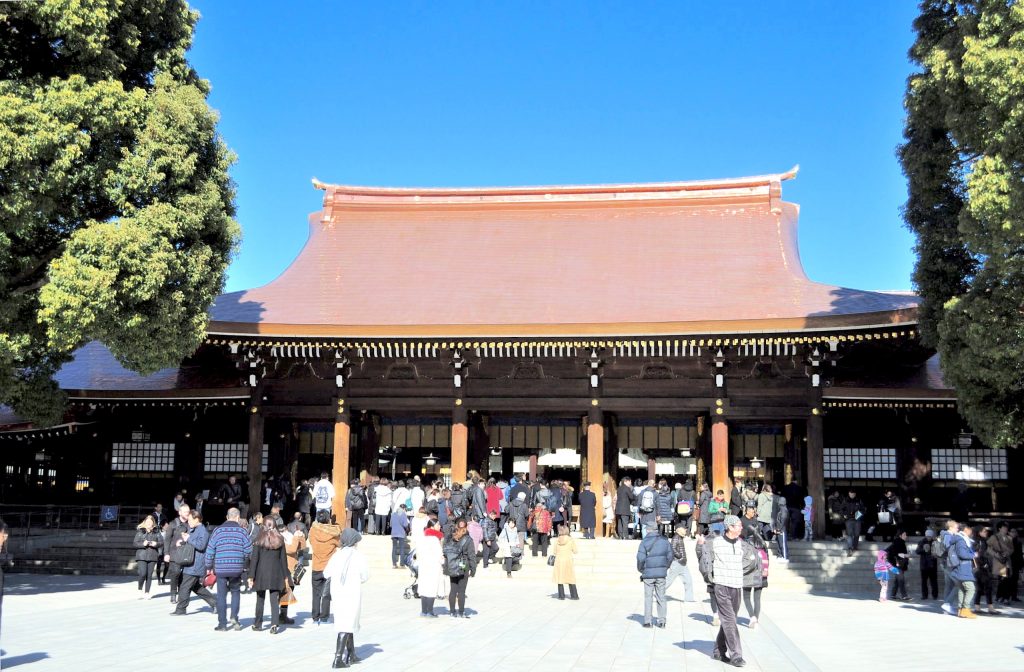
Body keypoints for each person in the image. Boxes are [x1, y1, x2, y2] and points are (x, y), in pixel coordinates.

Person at [697, 515, 751, 667]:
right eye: (739, 525)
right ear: (730, 527)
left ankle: (718, 651)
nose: (741, 527)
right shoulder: (716, 543)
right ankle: (736, 655)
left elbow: (750, 559)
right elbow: (703, 556)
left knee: (729, 620)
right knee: (729, 620)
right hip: (721, 586)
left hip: (736, 586)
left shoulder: (742, 544)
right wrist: (701, 546)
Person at [325, 529, 369, 667]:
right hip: (351, 593)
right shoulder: (358, 556)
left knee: (346, 621)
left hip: (338, 592)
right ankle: (338, 659)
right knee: (347, 623)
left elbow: (326, 573)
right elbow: (365, 576)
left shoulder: (337, 555)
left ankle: (351, 654)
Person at [249, 517, 291, 633]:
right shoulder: (280, 539)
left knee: (260, 599)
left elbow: (254, 559)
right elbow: (283, 560)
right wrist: (285, 575)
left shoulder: (258, 539)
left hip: (261, 573)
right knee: (274, 599)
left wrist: (251, 575)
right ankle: (274, 624)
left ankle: (258, 624)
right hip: (276, 573)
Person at [172, 510, 217, 615]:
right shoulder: (194, 529)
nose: (188, 522)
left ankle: (181, 609)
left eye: (190, 520)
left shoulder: (203, 531)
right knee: (196, 587)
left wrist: (189, 538)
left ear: (197, 519)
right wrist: (182, 542)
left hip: (196, 563)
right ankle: (216, 604)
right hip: (190, 562)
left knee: (185, 586)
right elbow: (191, 543)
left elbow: (201, 545)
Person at [636, 521, 672, 628]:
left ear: (648, 530)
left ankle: (648, 621)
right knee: (661, 597)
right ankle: (662, 621)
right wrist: (665, 567)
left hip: (648, 574)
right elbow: (670, 556)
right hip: (661, 574)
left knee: (648, 597)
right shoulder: (665, 541)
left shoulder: (644, 542)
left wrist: (641, 569)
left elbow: (640, 558)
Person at [310, 508, 342, 625]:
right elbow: (340, 543)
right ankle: (324, 617)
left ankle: (315, 616)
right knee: (327, 593)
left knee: (316, 593)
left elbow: (311, 542)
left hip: (316, 565)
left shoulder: (313, 531)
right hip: (329, 567)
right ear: (328, 519)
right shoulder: (333, 533)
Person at [443, 519, 477, 618]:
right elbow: (472, 555)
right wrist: (473, 569)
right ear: (466, 527)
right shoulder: (468, 539)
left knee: (453, 589)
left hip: (452, 565)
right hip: (463, 566)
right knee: (461, 591)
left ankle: (452, 612)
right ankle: (461, 612)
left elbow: (445, 552)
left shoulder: (451, 537)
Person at [416, 519, 445, 617]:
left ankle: (423, 611)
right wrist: (443, 561)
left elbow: (418, 553)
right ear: (432, 526)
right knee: (431, 588)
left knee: (424, 588)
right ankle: (430, 611)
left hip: (424, 566)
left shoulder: (422, 538)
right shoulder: (435, 539)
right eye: (438, 524)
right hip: (433, 567)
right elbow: (439, 555)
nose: (439, 526)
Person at [949, 524, 978, 618]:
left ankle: (960, 610)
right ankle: (966, 609)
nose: (971, 532)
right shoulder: (961, 540)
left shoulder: (959, 539)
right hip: (963, 568)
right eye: (970, 529)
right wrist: (973, 555)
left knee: (962, 589)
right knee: (971, 588)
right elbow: (962, 554)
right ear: (966, 529)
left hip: (959, 567)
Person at [280, 519, 306, 624]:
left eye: (287, 530)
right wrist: (295, 537)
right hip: (285, 570)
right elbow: (292, 549)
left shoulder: (290, 537)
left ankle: (283, 614)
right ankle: (282, 615)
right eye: (284, 531)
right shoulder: (281, 540)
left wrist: (301, 536)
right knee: (285, 592)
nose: (287, 533)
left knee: (289, 590)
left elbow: (302, 547)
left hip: (292, 569)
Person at [164, 503, 191, 603]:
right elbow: (167, 540)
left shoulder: (190, 524)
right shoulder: (173, 524)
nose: (187, 514)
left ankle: (181, 594)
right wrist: (166, 553)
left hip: (186, 553)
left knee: (184, 575)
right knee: (175, 573)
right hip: (174, 553)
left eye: (188, 512)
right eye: (185, 512)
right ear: (180, 512)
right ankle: (173, 594)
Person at [743, 529, 769, 628]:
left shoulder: (747, 546)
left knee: (746, 597)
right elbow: (766, 562)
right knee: (757, 598)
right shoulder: (762, 548)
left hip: (748, 574)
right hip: (760, 575)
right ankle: (756, 619)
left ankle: (752, 617)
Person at [133, 515, 164, 599]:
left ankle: (147, 592)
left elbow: (161, 542)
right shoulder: (140, 531)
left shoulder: (156, 531)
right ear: (145, 522)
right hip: (141, 555)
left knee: (149, 575)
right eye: (147, 522)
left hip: (152, 555)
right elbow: (135, 543)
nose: (149, 524)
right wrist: (143, 544)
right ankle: (140, 589)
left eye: (150, 522)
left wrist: (156, 544)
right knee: (143, 573)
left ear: (153, 523)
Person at [665, 525, 695, 602]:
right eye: (684, 529)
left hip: (683, 563)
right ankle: (659, 593)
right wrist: (680, 556)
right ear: (679, 529)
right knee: (668, 581)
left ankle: (689, 599)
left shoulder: (681, 537)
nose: (685, 530)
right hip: (677, 563)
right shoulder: (675, 537)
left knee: (688, 580)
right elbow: (673, 549)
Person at [973, 526, 997, 614]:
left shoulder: (980, 541)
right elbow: (977, 555)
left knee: (980, 588)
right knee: (987, 587)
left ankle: (977, 607)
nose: (986, 532)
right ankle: (989, 608)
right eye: (984, 531)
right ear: (979, 532)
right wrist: (984, 564)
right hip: (982, 568)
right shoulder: (980, 542)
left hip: (980, 568)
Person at [988, 522, 1013, 604]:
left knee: (1006, 578)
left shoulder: (1009, 538)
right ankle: (1003, 597)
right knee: (1003, 578)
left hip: (1007, 560)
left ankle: (1001, 596)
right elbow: (989, 549)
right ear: (999, 528)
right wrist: (995, 554)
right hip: (999, 560)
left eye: (1006, 528)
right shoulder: (994, 537)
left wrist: (1008, 553)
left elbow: (1012, 549)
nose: (1006, 529)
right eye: (1004, 528)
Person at [885, 530, 910, 601]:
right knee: (901, 580)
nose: (906, 536)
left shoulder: (900, 542)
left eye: (906, 535)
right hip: (897, 564)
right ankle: (904, 596)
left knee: (897, 580)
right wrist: (905, 555)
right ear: (900, 535)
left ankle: (893, 594)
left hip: (900, 564)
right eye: (904, 535)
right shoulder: (898, 542)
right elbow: (895, 553)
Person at [915, 528, 939, 600]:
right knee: (924, 581)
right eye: (927, 536)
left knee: (934, 581)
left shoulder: (935, 542)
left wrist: (935, 553)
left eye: (930, 536)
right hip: (924, 565)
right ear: (925, 536)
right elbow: (917, 551)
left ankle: (935, 595)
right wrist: (923, 550)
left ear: (932, 536)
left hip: (932, 565)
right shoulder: (921, 542)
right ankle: (924, 595)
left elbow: (938, 552)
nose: (929, 537)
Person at [840, 490, 865, 556]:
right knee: (850, 534)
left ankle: (855, 546)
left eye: (853, 494)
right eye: (851, 493)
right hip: (849, 519)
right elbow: (841, 509)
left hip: (857, 519)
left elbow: (863, 509)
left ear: (855, 494)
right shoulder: (845, 500)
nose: (852, 495)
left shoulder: (858, 500)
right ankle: (850, 548)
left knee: (857, 534)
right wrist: (844, 515)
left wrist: (858, 515)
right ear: (849, 493)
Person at [390, 504, 410, 569]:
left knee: (394, 548)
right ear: (404, 509)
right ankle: (402, 564)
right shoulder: (403, 514)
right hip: (401, 533)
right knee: (401, 548)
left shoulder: (393, 514)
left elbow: (390, 524)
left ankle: (394, 564)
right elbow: (405, 524)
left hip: (394, 533)